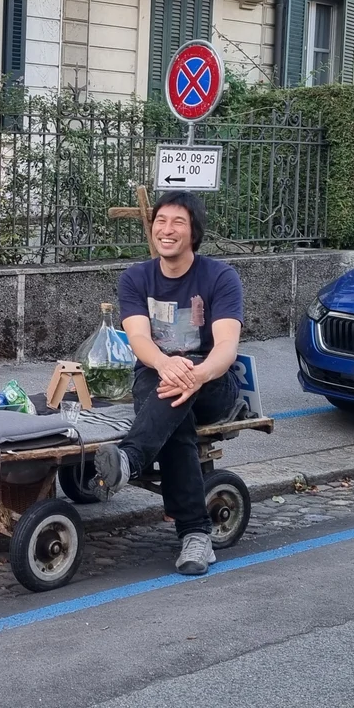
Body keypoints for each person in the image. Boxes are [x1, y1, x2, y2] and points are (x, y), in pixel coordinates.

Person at [93, 191, 244, 577]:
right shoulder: (137, 277)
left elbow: (226, 347)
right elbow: (139, 341)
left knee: (176, 393)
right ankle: (195, 535)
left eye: (178, 222)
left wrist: (195, 375)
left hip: (213, 381)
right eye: (161, 221)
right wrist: (164, 362)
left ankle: (129, 458)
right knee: (174, 411)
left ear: (194, 232)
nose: (167, 229)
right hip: (158, 375)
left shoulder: (220, 277)